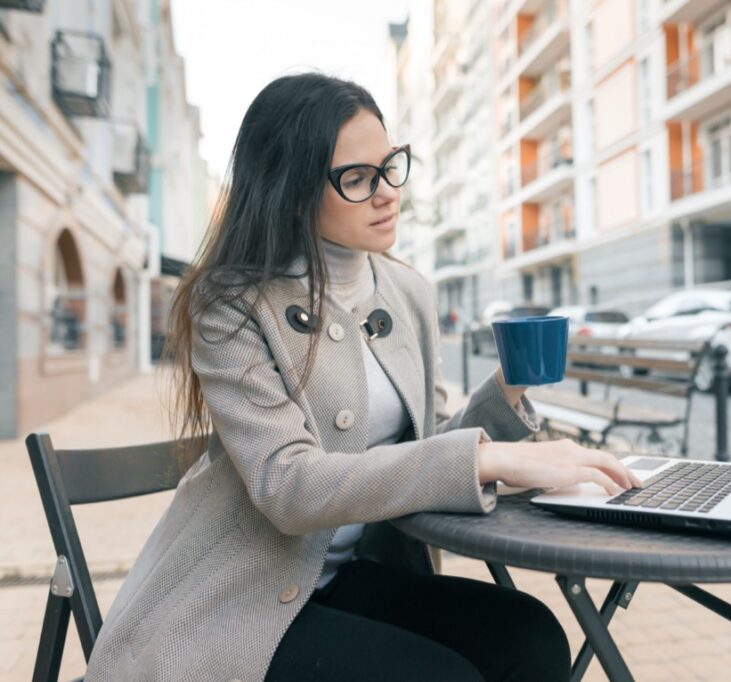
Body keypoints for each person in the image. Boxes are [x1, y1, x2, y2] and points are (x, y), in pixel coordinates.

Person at [83, 73, 640, 682]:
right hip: (240, 601)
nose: (387, 194)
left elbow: (427, 450)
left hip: (344, 575)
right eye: (357, 178)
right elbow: (287, 485)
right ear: (293, 192)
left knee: (530, 638)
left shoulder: (407, 291)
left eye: (390, 165)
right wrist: (491, 461)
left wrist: (506, 394)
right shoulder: (231, 304)